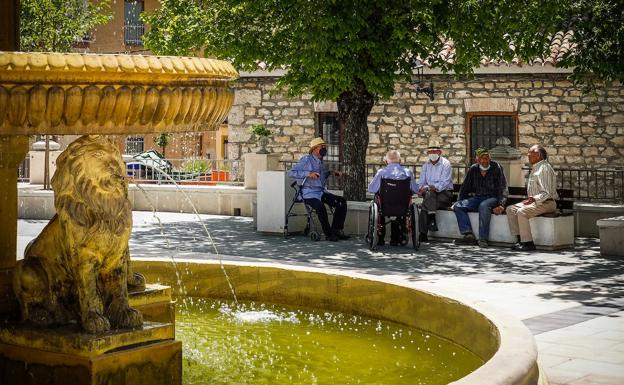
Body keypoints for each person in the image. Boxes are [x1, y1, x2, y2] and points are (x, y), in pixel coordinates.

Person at [288, 137, 349, 242]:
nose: (324, 148)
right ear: (315, 149)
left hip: (320, 192)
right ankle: (328, 234)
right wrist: (308, 174)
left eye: (325, 146)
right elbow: (291, 172)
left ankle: (336, 230)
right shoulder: (306, 160)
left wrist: (331, 173)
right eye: (322, 146)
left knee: (341, 202)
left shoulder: (320, 162)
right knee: (321, 207)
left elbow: (320, 177)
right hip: (308, 194)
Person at [506, 144, 559, 251]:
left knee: (522, 212)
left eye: (530, 154)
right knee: (510, 209)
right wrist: (531, 200)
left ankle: (528, 243)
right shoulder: (536, 167)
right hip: (536, 202)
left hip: (547, 203)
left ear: (538, 155)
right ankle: (520, 239)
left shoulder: (544, 168)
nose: (528, 156)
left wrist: (534, 199)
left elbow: (547, 192)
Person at [453, 148, 508, 247]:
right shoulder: (473, 169)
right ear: (477, 160)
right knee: (458, 206)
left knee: (483, 206)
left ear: (489, 158)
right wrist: (459, 201)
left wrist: (501, 205)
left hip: (492, 198)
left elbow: (502, 187)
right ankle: (468, 234)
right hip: (478, 198)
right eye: (481, 159)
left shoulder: (497, 167)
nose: (484, 161)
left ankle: (483, 239)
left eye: (486, 158)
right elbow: (465, 187)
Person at [368, 150, 419, 246]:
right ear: (400, 161)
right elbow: (415, 190)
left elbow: (371, 189)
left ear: (386, 161)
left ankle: (380, 238)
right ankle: (397, 238)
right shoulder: (407, 172)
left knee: (378, 201)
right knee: (402, 204)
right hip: (402, 206)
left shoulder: (381, 172)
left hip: (385, 206)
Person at [416, 144, 454, 242]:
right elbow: (421, 183)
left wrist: (430, 187)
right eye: (430, 152)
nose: (432, 153)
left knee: (426, 205)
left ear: (440, 152)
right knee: (429, 196)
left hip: (444, 194)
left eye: (434, 151)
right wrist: (423, 189)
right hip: (430, 195)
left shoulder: (446, 164)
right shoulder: (425, 165)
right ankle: (431, 221)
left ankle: (423, 233)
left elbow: (444, 183)